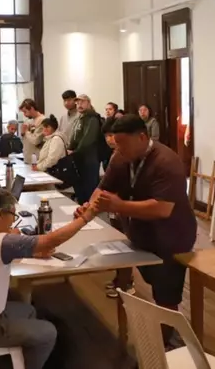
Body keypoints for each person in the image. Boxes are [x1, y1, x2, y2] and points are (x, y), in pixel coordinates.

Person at [0, 188, 99, 369]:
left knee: (28, 310)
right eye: (12, 215)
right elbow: (50, 240)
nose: (13, 220)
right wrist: (85, 218)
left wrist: (32, 252)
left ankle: (17, 359)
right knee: (48, 333)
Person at [76, 114, 196, 347]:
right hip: (140, 232)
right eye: (115, 143)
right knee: (147, 281)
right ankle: (154, 336)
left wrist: (118, 206)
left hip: (172, 236)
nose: (118, 149)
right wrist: (88, 209)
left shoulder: (167, 161)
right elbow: (104, 189)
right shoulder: (121, 157)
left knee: (166, 293)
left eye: (122, 143)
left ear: (142, 137)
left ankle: (167, 345)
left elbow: (162, 209)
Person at [99, 117, 134, 298]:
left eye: (112, 135)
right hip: (114, 205)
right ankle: (120, 278)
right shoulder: (114, 154)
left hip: (124, 205)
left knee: (125, 245)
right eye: (107, 136)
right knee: (118, 244)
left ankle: (125, 284)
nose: (109, 139)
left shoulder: (125, 155)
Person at [68, 94, 102, 204]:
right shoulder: (80, 118)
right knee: (80, 188)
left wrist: (76, 151)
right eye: (77, 102)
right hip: (79, 158)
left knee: (89, 189)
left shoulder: (92, 118)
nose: (79, 104)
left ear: (89, 103)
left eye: (82, 102)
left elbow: (88, 138)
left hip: (89, 158)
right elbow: (74, 137)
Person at [19, 99, 46, 163]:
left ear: (31, 108)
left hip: (37, 159)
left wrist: (26, 131)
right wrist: (22, 133)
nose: (24, 115)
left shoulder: (43, 120)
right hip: (27, 157)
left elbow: (36, 140)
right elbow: (25, 141)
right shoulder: (29, 121)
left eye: (25, 112)